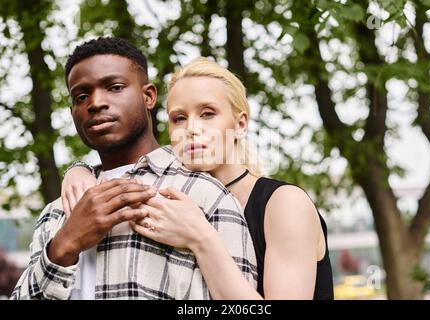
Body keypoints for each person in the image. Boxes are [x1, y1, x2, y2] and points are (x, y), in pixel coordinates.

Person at [62, 57, 334, 299]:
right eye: (179, 118)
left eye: (207, 114)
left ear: (240, 123)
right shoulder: (175, 196)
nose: (192, 129)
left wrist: (201, 239)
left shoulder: (284, 204)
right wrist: (79, 170)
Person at [10, 38, 257, 300]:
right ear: (72, 111)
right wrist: (64, 245)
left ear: (148, 96)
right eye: (81, 97)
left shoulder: (205, 195)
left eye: (114, 87)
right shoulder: (55, 212)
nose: (95, 102)